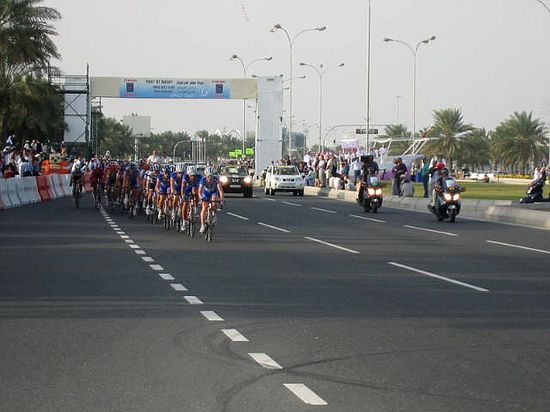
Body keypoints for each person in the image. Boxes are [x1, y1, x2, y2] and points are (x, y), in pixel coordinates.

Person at [198, 166, 224, 233]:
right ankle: (203, 225)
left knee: (214, 201)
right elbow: (199, 191)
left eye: (211, 176)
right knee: (204, 207)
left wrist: (221, 199)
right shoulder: (203, 180)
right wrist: (201, 198)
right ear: (206, 176)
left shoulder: (216, 179)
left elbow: (220, 190)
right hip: (205, 193)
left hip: (213, 192)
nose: (210, 178)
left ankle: (214, 214)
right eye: (208, 176)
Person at [182, 165, 201, 231]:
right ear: (188, 174)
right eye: (191, 175)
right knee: (185, 204)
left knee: (196, 192)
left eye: (194, 175)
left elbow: (201, 188)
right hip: (187, 188)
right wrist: (183, 195)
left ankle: (195, 209)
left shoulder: (199, 177)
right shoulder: (185, 176)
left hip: (196, 187)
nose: (192, 177)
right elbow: (183, 187)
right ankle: (184, 222)